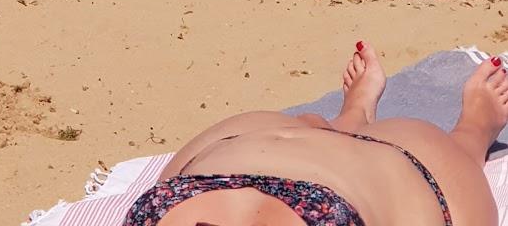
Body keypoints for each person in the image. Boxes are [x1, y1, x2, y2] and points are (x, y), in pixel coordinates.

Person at [123, 40, 508, 226]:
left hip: (229, 161)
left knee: (313, 125)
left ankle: (352, 114)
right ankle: (473, 129)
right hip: (220, 170)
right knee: (456, 149)